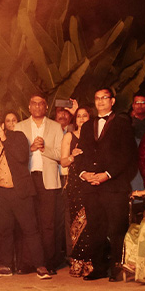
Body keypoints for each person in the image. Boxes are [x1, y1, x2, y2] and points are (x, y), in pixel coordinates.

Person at [74, 88, 139, 281]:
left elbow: (127, 155)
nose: (101, 101)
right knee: (95, 227)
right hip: (91, 186)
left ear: (112, 101)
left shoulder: (122, 123)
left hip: (114, 185)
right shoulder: (87, 126)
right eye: (97, 98)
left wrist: (107, 175)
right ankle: (99, 268)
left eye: (104, 98)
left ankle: (116, 269)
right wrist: (84, 173)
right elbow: (80, 153)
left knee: (116, 228)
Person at [0, 111, 50, 279]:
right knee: (5, 231)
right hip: (0, 192)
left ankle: (41, 266)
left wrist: (4, 139)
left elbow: (21, 157)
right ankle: (6, 266)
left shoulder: (18, 137)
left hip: (19, 191)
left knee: (30, 230)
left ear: (3, 126)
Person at [21, 93, 65, 272]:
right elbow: (15, 155)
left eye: (41, 104)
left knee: (48, 223)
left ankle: (48, 262)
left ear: (46, 107)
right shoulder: (20, 126)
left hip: (48, 180)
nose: (37, 107)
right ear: (29, 106)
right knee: (28, 222)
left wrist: (44, 148)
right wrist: (29, 150)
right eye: (34, 103)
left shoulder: (56, 127)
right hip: (27, 179)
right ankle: (28, 262)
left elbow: (61, 155)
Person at [61, 106, 94, 276]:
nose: (81, 119)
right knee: (76, 222)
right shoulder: (69, 136)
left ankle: (90, 260)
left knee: (91, 222)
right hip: (74, 182)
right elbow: (63, 162)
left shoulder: (96, 136)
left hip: (92, 181)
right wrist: (73, 156)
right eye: (78, 116)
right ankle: (77, 260)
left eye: (85, 116)